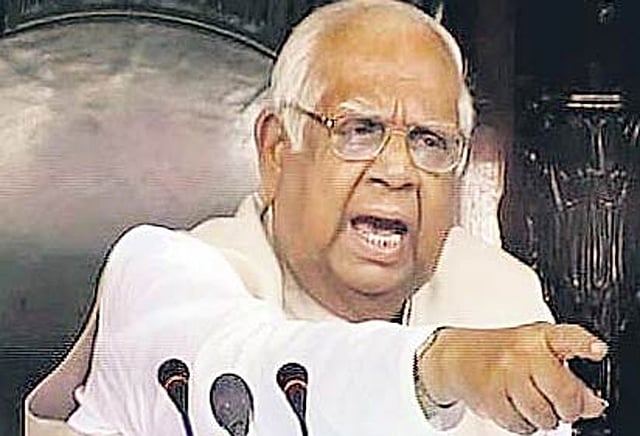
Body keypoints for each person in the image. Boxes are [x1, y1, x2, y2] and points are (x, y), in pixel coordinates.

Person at [24, 0, 608, 434]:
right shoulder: (161, 277)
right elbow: (241, 385)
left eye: (430, 141)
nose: (397, 171)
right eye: (360, 130)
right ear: (277, 150)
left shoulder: (498, 294)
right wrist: (445, 366)